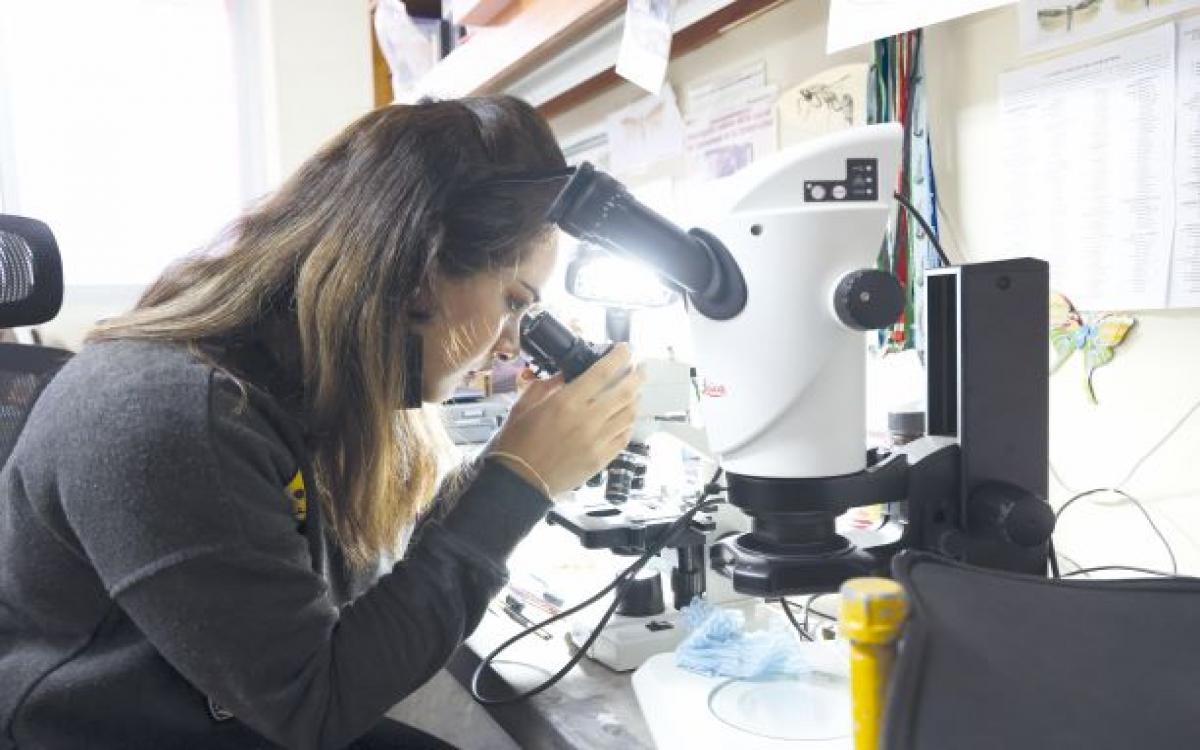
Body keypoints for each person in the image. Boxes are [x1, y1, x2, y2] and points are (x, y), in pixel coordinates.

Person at [0, 97, 642, 749]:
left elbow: (351, 609)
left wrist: (507, 468)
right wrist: (516, 483)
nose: (508, 344)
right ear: (422, 269)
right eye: (512, 300)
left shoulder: (284, 386)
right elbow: (317, 705)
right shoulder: (174, 415)